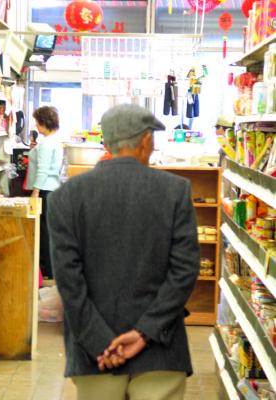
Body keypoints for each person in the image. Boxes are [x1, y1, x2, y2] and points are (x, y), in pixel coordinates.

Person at [47, 104, 200, 400]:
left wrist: (100, 341)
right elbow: (184, 272)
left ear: (106, 143)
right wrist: (144, 333)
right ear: (145, 141)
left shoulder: (65, 197)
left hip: (95, 357)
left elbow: (68, 281)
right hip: (160, 349)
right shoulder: (175, 191)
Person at [26, 106, 63, 279]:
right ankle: (49, 270)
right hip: (52, 188)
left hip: (44, 190)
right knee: (47, 230)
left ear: (43, 122)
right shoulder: (54, 140)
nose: (36, 126)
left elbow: (43, 170)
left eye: (37, 122)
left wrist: (35, 192)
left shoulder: (47, 143)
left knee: (43, 232)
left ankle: (47, 271)